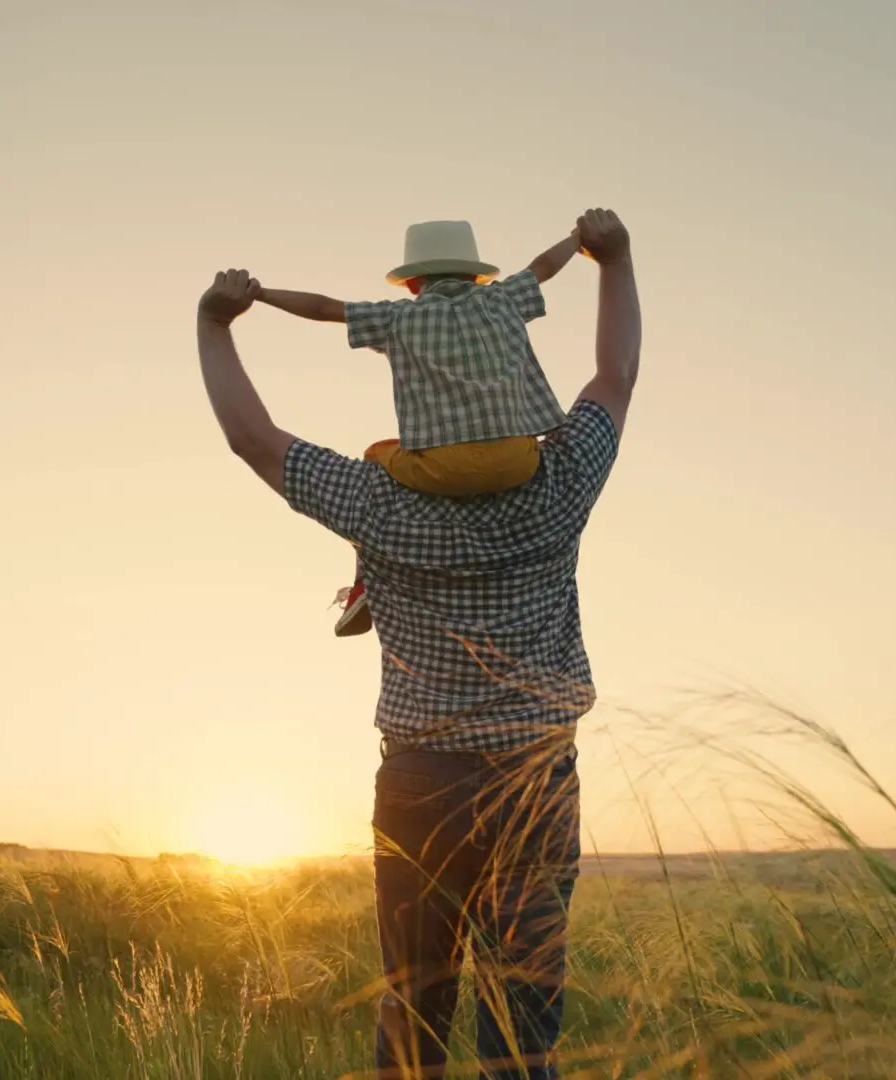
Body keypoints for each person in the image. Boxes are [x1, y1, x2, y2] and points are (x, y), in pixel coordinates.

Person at [195, 208, 639, 1080]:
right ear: (491, 312)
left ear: (410, 316)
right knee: (523, 1032)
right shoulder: (562, 481)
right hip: (536, 782)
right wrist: (614, 259)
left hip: (423, 785)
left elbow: (253, 439)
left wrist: (214, 326)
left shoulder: (379, 503)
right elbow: (614, 377)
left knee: (415, 1015)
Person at [254, 220, 586, 636]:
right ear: (475, 275)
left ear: (412, 283)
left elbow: (324, 308)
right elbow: (545, 265)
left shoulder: (398, 318)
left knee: (375, 455)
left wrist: (262, 294)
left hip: (441, 470)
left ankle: (364, 584)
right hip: (519, 461)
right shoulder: (504, 299)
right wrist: (577, 239)